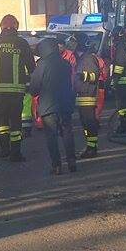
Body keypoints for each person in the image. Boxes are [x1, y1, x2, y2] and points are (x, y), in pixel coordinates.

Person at [0, 14, 35, 161]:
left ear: (1, 27)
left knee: (2, 122)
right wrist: (33, 83)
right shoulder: (21, 43)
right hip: (16, 91)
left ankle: (4, 150)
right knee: (16, 122)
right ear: (16, 26)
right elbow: (31, 66)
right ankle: (15, 154)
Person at [28, 37, 77, 174]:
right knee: (67, 133)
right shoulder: (66, 64)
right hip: (65, 105)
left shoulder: (42, 65)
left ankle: (56, 166)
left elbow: (34, 89)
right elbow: (72, 83)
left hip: (48, 107)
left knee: (51, 136)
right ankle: (72, 162)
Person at [75, 34, 102, 158]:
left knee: (90, 124)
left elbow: (94, 76)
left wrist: (82, 76)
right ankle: (89, 146)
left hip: (88, 96)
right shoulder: (81, 58)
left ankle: (92, 148)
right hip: (81, 96)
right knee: (85, 124)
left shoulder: (89, 58)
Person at [108, 28, 126, 134]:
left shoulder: (121, 47)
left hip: (122, 80)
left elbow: (120, 63)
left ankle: (123, 127)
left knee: (122, 106)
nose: (113, 39)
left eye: (114, 36)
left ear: (118, 35)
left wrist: (115, 78)